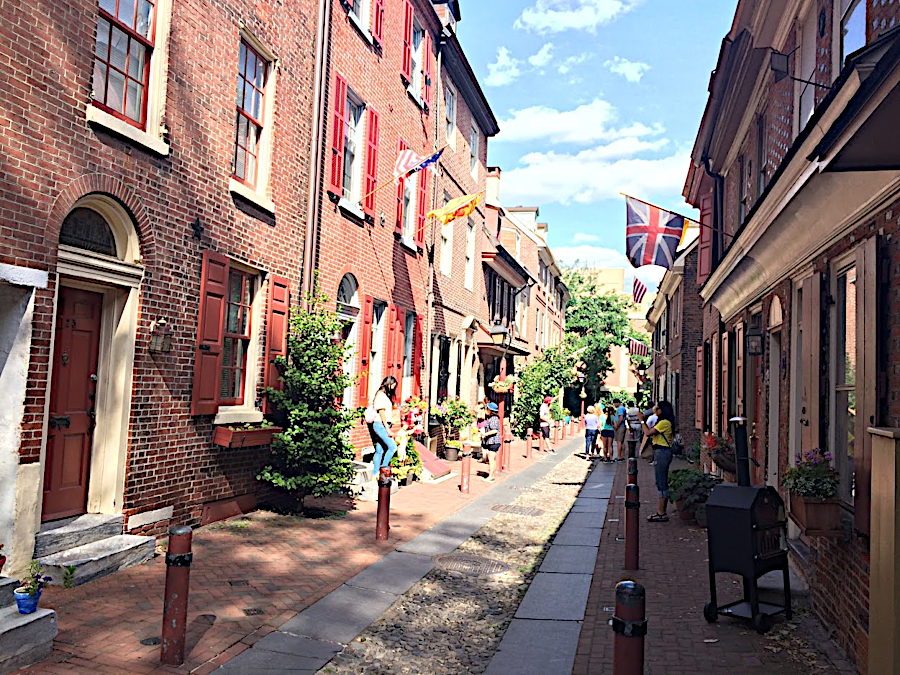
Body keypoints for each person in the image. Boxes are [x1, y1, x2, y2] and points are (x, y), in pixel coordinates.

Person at [638, 400, 676, 522]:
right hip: (660, 452)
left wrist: (642, 421)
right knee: (660, 481)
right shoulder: (664, 422)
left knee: (661, 481)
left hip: (662, 452)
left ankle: (661, 512)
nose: (655, 410)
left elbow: (648, 432)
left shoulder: (665, 423)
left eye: (658, 408)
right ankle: (660, 511)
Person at [366, 376, 398, 476]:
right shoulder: (380, 395)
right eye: (392, 385)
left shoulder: (384, 395)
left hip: (384, 424)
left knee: (379, 450)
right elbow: (382, 413)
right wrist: (388, 429)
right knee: (393, 447)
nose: (393, 388)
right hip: (380, 425)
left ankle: (375, 473)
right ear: (388, 384)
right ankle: (384, 470)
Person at [481, 402, 501, 482]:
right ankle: (492, 475)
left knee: (491, 459)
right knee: (492, 459)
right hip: (493, 441)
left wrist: (485, 434)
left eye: (487, 408)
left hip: (493, 441)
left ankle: (491, 477)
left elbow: (494, 430)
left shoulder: (493, 419)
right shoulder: (493, 418)